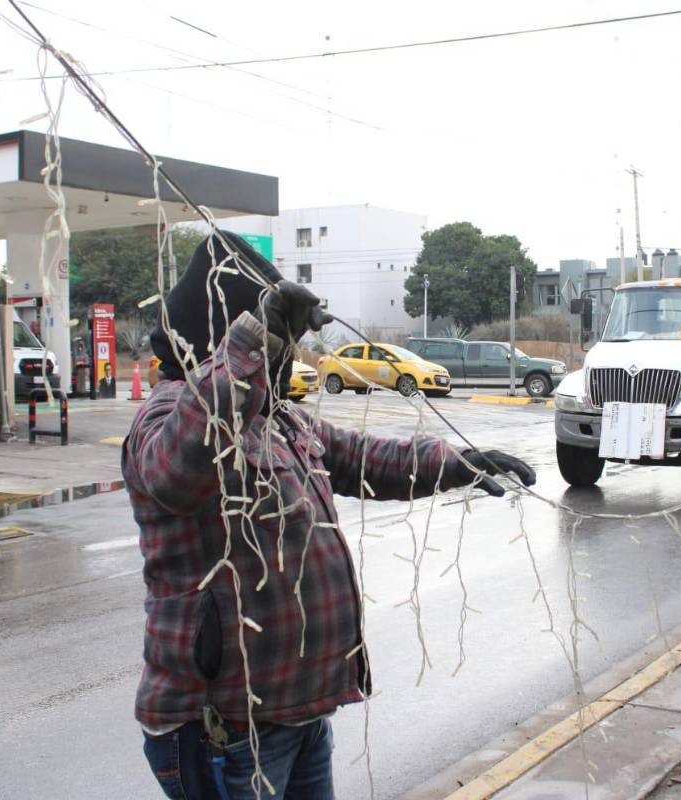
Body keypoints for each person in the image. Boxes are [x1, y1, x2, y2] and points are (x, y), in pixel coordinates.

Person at [125, 232, 536, 800]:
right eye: (274, 337)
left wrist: (457, 461)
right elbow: (176, 471)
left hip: (298, 713)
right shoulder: (169, 410)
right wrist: (251, 346)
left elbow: (363, 458)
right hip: (223, 730)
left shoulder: (279, 419)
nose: (284, 352)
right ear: (226, 335)